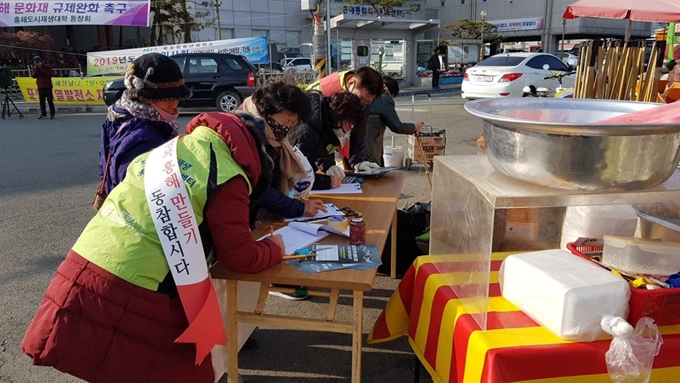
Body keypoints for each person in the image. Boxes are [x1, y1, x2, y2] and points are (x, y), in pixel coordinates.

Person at [22, 112, 285, 383]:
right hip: (139, 287)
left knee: (102, 364)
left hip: (83, 266)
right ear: (252, 151)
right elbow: (240, 257)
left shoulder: (163, 152)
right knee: (162, 370)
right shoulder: (228, 174)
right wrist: (274, 247)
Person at [99, 52, 192, 195]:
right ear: (143, 98)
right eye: (167, 98)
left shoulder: (119, 114)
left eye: (177, 97)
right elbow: (143, 192)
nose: (174, 104)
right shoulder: (144, 138)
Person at [239, 81, 327, 221]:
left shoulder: (273, 135)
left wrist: (297, 204)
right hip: (242, 214)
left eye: (293, 124)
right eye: (287, 122)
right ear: (269, 110)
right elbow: (262, 190)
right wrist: (299, 208)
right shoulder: (248, 135)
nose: (288, 129)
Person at [289, 91, 366, 185]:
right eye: (347, 128)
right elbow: (295, 177)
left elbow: (318, 150)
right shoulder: (307, 132)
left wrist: (329, 165)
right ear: (339, 117)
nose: (346, 133)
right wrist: (327, 182)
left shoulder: (319, 124)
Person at [366, 76, 424, 165]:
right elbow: (397, 127)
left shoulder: (369, 95)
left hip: (357, 142)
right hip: (368, 143)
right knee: (371, 170)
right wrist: (414, 127)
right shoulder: (384, 98)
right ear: (391, 92)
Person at [305, 66, 384, 105]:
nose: (362, 103)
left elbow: (361, 129)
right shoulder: (320, 91)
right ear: (351, 83)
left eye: (368, 102)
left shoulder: (364, 100)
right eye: (361, 98)